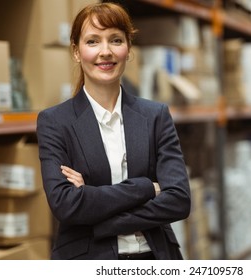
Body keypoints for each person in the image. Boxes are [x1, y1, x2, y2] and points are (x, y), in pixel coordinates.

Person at [36, 2, 191, 260]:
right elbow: (66, 205)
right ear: (76, 51)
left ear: (128, 49)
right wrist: (145, 188)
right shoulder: (55, 122)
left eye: (115, 40)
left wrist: (102, 215)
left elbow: (179, 200)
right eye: (93, 41)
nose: (105, 52)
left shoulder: (156, 116)